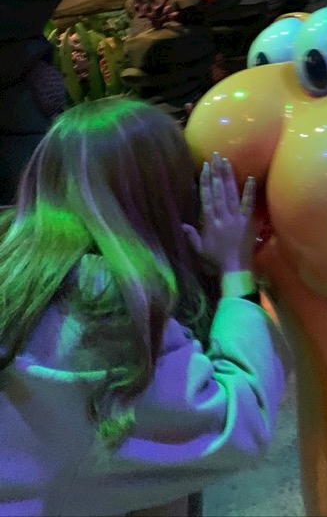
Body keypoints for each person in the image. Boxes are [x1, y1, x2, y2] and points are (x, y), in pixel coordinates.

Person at [0, 97, 290, 517]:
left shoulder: (18, 268)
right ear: (162, 197)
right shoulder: (101, 308)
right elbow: (239, 427)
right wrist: (235, 270)